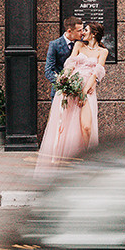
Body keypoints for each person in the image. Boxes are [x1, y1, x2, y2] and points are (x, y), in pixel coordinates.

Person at [36, 22, 108, 180]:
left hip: (87, 91)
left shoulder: (103, 51)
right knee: (66, 127)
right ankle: (64, 163)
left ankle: (89, 160)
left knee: (87, 128)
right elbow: (70, 65)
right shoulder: (78, 46)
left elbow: (96, 74)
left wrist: (84, 91)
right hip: (71, 89)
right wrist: (64, 80)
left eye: (86, 30)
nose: (83, 33)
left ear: (94, 34)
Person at [45, 16, 84, 96]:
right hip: (60, 92)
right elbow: (48, 71)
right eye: (79, 30)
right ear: (69, 31)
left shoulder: (83, 43)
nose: (82, 32)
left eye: (82, 29)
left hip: (79, 92)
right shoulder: (54, 45)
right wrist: (62, 82)